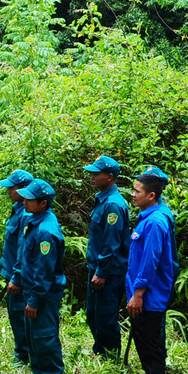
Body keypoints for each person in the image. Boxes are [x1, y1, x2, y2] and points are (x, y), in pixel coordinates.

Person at [125, 167, 177, 374]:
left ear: (152, 195)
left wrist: (138, 293)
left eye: (137, 191)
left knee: (151, 348)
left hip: (149, 296)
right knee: (146, 343)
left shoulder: (156, 221)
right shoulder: (150, 216)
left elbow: (150, 260)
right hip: (144, 293)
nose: (132, 195)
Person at [17, 178, 66, 374]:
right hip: (31, 289)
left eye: (30, 199)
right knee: (32, 333)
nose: (25, 201)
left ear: (43, 203)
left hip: (44, 293)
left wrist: (35, 299)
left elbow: (44, 270)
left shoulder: (46, 231)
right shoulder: (33, 221)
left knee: (44, 335)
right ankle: (39, 372)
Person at [82, 155, 130, 361]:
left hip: (109, 271)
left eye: (96, 173)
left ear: (110, 177)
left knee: (106, 315)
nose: (92, 177)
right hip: (97, 267)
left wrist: (101, 272)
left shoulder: (113, 205)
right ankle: (101, 351)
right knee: (92, 313)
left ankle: (110, 356)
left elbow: (111, 242)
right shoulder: (102, 200)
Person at [0, 169, 35, 368]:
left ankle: (24, 354)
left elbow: (23, 248)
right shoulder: (17, 209)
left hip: (18, 276)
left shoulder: (27, 215)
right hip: (12, 271)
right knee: (15, 314)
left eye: (11, 188)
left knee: (21, 315)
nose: (8, 191)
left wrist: (16, 277)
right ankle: (22, 351)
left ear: (23, 190)